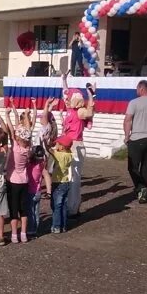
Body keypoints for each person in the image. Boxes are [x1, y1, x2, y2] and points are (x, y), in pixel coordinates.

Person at [61, 72, 95, 217]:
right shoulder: (70, 109)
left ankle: (73, 208)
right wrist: (63, 80)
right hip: (66, 145)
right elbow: (64, 92)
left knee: (74, 179)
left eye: (70, 98)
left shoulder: (80, 111)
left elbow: (90, 111)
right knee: (67, 177)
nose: (67, 99)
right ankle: (69, 205)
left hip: (76, 146)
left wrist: (90, 94)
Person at [3, 105, 32, 243]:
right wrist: (26, 115)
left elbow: (10, 130)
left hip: (13, 180)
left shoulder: (15, 147)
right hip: (24, 180)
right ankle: (24, 233)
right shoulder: (28, 148)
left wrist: (7, 115)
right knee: (24, 209)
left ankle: (14, 234)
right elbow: (27, 130)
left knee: (13, 209)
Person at [48, 136, 74, 234]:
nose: (56, 145)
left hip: (57, 183)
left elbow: (50, 150)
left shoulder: (60, 155)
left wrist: (48, 144)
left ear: (62, 147)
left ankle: (56, 226)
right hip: (66, 182)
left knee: (56, 205)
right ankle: (63, 225)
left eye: (58, 144)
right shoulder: (69, 154)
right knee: (63, 205)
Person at [26, 145, 46, 237]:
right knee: (36, 212)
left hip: (30, 191)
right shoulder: (41, 165)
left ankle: (31, 230)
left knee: (30, 212)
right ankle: (36, 228)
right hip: (38, 191)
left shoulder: (30, 166)